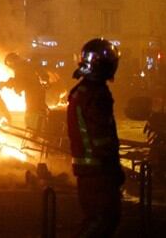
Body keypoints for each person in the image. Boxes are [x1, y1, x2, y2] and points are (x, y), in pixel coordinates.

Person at [67, 38, 124, 237]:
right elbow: (102, 137)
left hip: (87, 169)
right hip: (99, 170)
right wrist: (114, 167)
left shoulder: (81, 91)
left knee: (95, 220)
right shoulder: (96, 94)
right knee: (103, 221)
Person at [5, 53, 48, 132]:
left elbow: (20, 83)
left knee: (32, 112)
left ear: (12, 61)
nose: (10, 66)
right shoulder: (26, 64)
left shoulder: (20, 67)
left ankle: (34, 131)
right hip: (38, 91)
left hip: (32, 93)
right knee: (40, 111)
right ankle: (42, 130)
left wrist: (9, 83)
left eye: (9, 63)